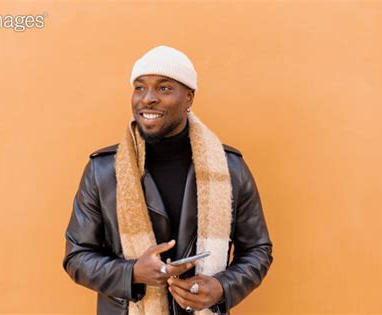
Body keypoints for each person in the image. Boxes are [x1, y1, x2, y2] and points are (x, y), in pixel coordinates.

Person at [62, 45, 273, 315]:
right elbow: (76, 256)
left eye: (164, 88)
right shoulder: (102, 171)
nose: (147, 98)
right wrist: (132, 273)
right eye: (140, 87)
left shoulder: (230, 168)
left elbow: (258, 249)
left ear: (188, 98)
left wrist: (222, 288)